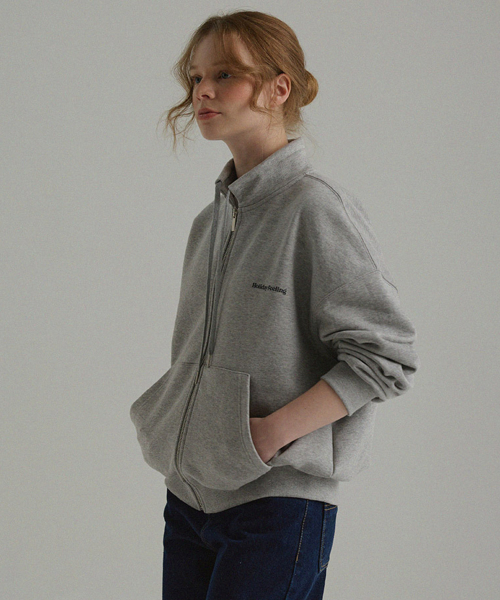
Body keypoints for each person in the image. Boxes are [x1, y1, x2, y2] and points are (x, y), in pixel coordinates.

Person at [129, 9, 421, 600]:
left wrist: (269, 436)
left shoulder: (315, 207)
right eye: (195, 77)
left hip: (277, 509)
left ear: (277, 88)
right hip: (187, 502)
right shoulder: (210, 222)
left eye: (225, 75)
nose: (202, 91)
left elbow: (386, 356)